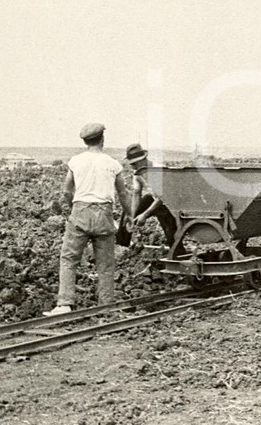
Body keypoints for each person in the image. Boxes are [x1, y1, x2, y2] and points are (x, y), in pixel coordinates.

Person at [44, 123, 131, 316]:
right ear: (102, 139)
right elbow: (123, 193)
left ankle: (65, 303)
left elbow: (67, 190)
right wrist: (129, 215)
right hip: (104, 213)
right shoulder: (113, 164)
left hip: (80, 210)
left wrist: (72, 208)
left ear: (85, 140)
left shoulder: (75, 161)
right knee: (106, 263)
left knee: (68, 259)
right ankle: (106, 304)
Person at [122, 143, 188, 276]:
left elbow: (162, 197)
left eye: (135, 164)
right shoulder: (138, 173)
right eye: (132, 164)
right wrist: (133, 215)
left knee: (168, 226)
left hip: (170, 201)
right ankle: (122, 245)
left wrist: (145, 215)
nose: (133, 167)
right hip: (153, 197)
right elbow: (136, 194)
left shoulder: (158, 169)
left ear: (143, 160)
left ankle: (179, 257)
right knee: (127, 213)